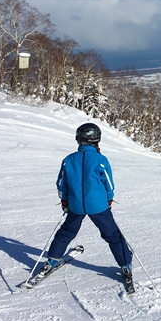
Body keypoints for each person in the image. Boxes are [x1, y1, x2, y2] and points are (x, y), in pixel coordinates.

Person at [43, 123, 134, 291]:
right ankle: (125, 264)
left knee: (66, 232)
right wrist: (108, 199)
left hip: (75, 205)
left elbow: (61, 184)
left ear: (78, 139)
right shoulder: (100, 160)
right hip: (98, 206)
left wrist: (65, 202)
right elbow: (108, 183)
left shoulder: (68, 160)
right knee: (112, 235)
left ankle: (52, 259)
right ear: (97, 139)